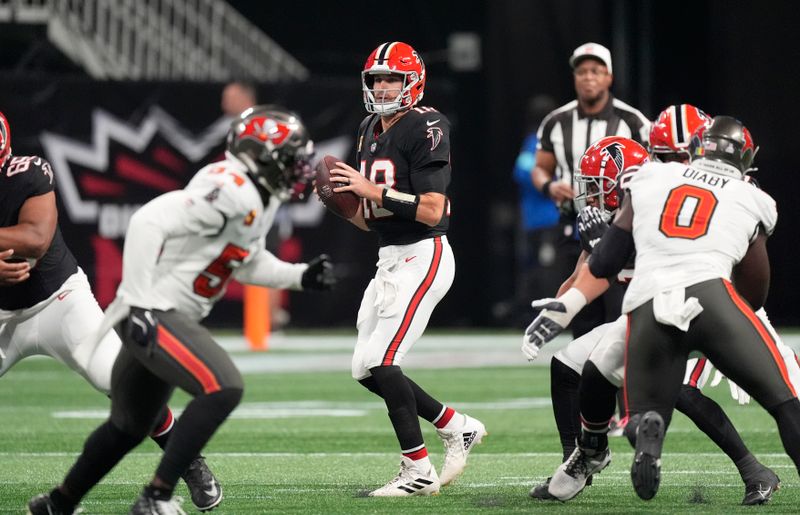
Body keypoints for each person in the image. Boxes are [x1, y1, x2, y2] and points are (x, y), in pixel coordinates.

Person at [28, 106, 336, 514]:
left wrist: (300, 277)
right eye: (291, 157)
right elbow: (146, 221)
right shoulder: (231, 187)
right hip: (156, 311)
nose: (299, 167)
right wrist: (139, 300)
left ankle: (57, 504)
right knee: (224, 386)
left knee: (127, 427)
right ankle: (156, 497)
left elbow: (247, 260)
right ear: (260, 155)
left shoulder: (258, 196)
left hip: (161, 313)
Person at [522, 115, 800, 503]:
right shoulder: (749, 196)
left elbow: (604, 266)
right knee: (785, 402)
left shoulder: (650, 182)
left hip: (653, 304)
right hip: (719, 304)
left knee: (650, 389)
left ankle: (747, 467)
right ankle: (586, 456)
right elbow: (754, 293)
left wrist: (566, 307)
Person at [0, 110, 222, 512]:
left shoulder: (27, 172)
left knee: (122, 386)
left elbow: (35, 238)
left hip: (57, 303)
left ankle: (187, 461)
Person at [327, 41, 486, 497]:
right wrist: (339, 204)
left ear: (411, 81)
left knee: (383, 360)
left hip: (425, 252)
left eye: (391, 78)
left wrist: (369, 192)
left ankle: (417, 471)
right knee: (364, 367)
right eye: (376, 78)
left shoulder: (427, 124)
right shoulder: (367, 128)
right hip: (391, 257)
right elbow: (367, 219)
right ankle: (455, 425)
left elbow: (434, 210)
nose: (382, 87)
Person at [532, 42, 650, 339]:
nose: (588, 77)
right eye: (582, 71)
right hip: (574, 221)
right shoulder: (556, 122)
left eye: (595, 71)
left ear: (609, 77)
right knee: (584, 312)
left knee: (617, 308)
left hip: (621, 226)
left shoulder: (632, 121)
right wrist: (548, 185)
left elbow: (653, 170)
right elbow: (540, 167)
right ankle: (585, 369)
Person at [511, 95, 560, 317]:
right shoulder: (534, 143)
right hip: (540, 219)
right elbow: (522, 174)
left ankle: (546, 314)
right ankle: (530, 314)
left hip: (545, 219)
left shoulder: (550, 144)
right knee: (537, 268)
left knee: (545, 268)